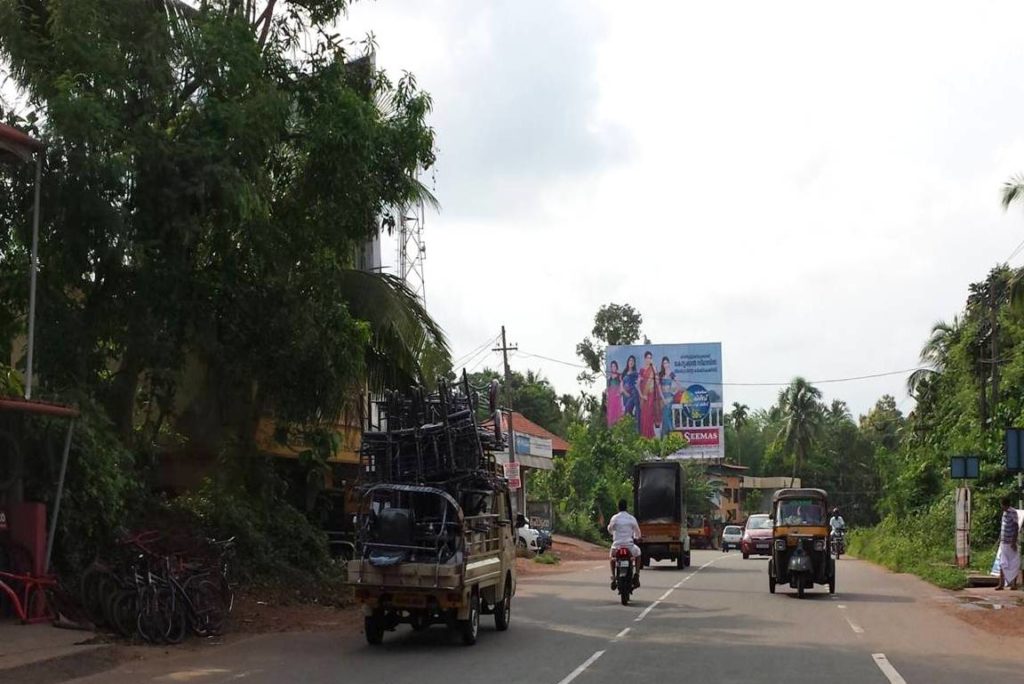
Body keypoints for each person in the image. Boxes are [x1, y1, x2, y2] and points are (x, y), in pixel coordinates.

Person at [608, 498, 642, 589]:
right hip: (629, 546)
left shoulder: (615, 518)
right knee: (638, 554)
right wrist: (637, 538)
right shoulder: (631, 518)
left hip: (617, 546)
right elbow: (638, 532)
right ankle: (637, 575)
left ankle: (613, 577)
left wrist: (613, 533)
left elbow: (610, 529)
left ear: (618, 507)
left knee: (612, 557)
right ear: (626, 507)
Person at [997, 497, 1020, 591]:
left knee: (1013, 563)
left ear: (1005, 504)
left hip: (1010, 543)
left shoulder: (1013, 512)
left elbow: (1016, 527)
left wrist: (1013, 542)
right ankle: (1001, 584)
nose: (1001, 506)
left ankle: (1013, 584)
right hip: (1003, 541)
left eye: (1001, 504)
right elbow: (1004, 526)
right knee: (1002, 563)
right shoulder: (1004, 513)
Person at [658, 356, 681, 438]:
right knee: (664, 417)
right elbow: (659, 388)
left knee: (667, 415)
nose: (665, 364)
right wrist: (662, 398)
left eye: (667, 363)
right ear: (662, 364)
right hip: (662, 398)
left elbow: (679, 385)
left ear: (669, 363)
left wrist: (673, 394)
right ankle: (664, 436)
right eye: (664, 363)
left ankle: (671, 433)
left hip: (669, 397)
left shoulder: (671, 374)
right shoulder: (660, 374)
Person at [637, 351, 658, 438]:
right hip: (644, 397)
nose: (649, 359)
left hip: (651, 395)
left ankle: (650, 436)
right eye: (648, 358)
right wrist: (641, 395)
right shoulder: (642, 371)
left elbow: (657, 380)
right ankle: (645, 436)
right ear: (645, 359)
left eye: (650, 358)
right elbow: (637, 385)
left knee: (650, 415)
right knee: (644, 417)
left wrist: (653, 367)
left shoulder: (653, 369)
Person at [621, 355, 641, 425]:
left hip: (633, 394)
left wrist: (639, 380)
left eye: (633, 361)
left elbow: (638, 383)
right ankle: (630, 428)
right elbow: (621, 385)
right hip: (625, 396)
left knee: (629, 410)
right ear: (628, 362)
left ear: (634, 363)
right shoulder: (624, 373)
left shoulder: (636, 373)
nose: (631, 362)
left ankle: (637, 428)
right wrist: (624, 391)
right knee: (628, 414)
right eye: (630, 360)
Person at [606, 360, 624, 425]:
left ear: (616, 367)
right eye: (612, 366)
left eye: (614, 366)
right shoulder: (609, 378)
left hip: (617, 397)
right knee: (611, 414)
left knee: (618, 414)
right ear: (611, 368)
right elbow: (607, 389)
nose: (613, 367)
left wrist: (619, 393)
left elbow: (621, 387)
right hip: (611, 398)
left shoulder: (619, 376)